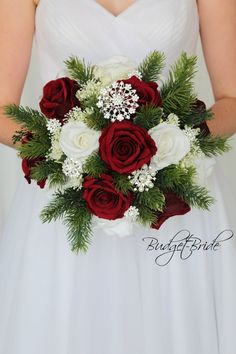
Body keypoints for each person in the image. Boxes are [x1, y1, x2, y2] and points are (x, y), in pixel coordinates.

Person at [0, 0, 236, 353]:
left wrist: (169, 149)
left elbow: (232, 98)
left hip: (173, 207)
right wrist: (68, 155)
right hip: (64, 203)